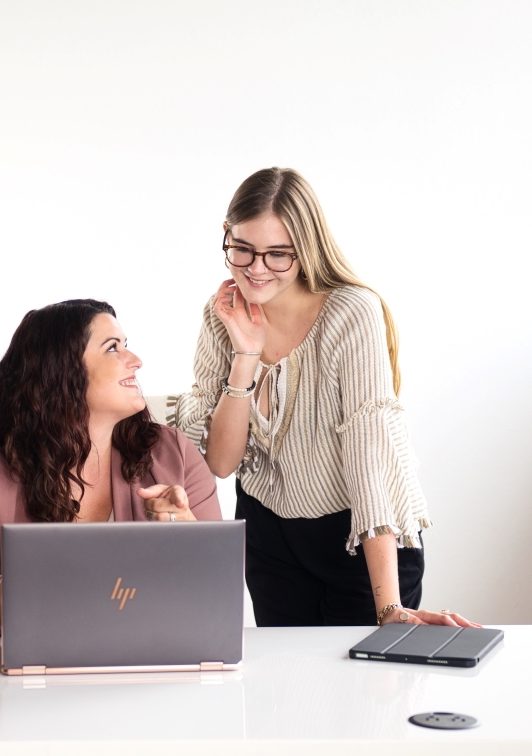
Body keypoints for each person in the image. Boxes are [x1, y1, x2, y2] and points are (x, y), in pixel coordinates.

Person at [171, 167, 477, 632]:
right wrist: (246, 355)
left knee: (368, 696)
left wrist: (389, 606)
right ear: (226, 235)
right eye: (243, 249)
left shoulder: (350, 312)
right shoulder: (222, 316)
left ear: (306, 248)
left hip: (360, 537)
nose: (256, 268)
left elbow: (367, 457)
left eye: (278, 255)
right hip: (270, 536)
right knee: (290, 698)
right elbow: (221, 462)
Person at [0, 299, 221, 636]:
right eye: (113, 348)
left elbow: (219, 588)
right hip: (40, 679)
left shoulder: (175, 454)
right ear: (62, 369)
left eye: (127, 346)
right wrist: (41, 591)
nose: (136, 361)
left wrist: (189, 537)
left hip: (153, 670)